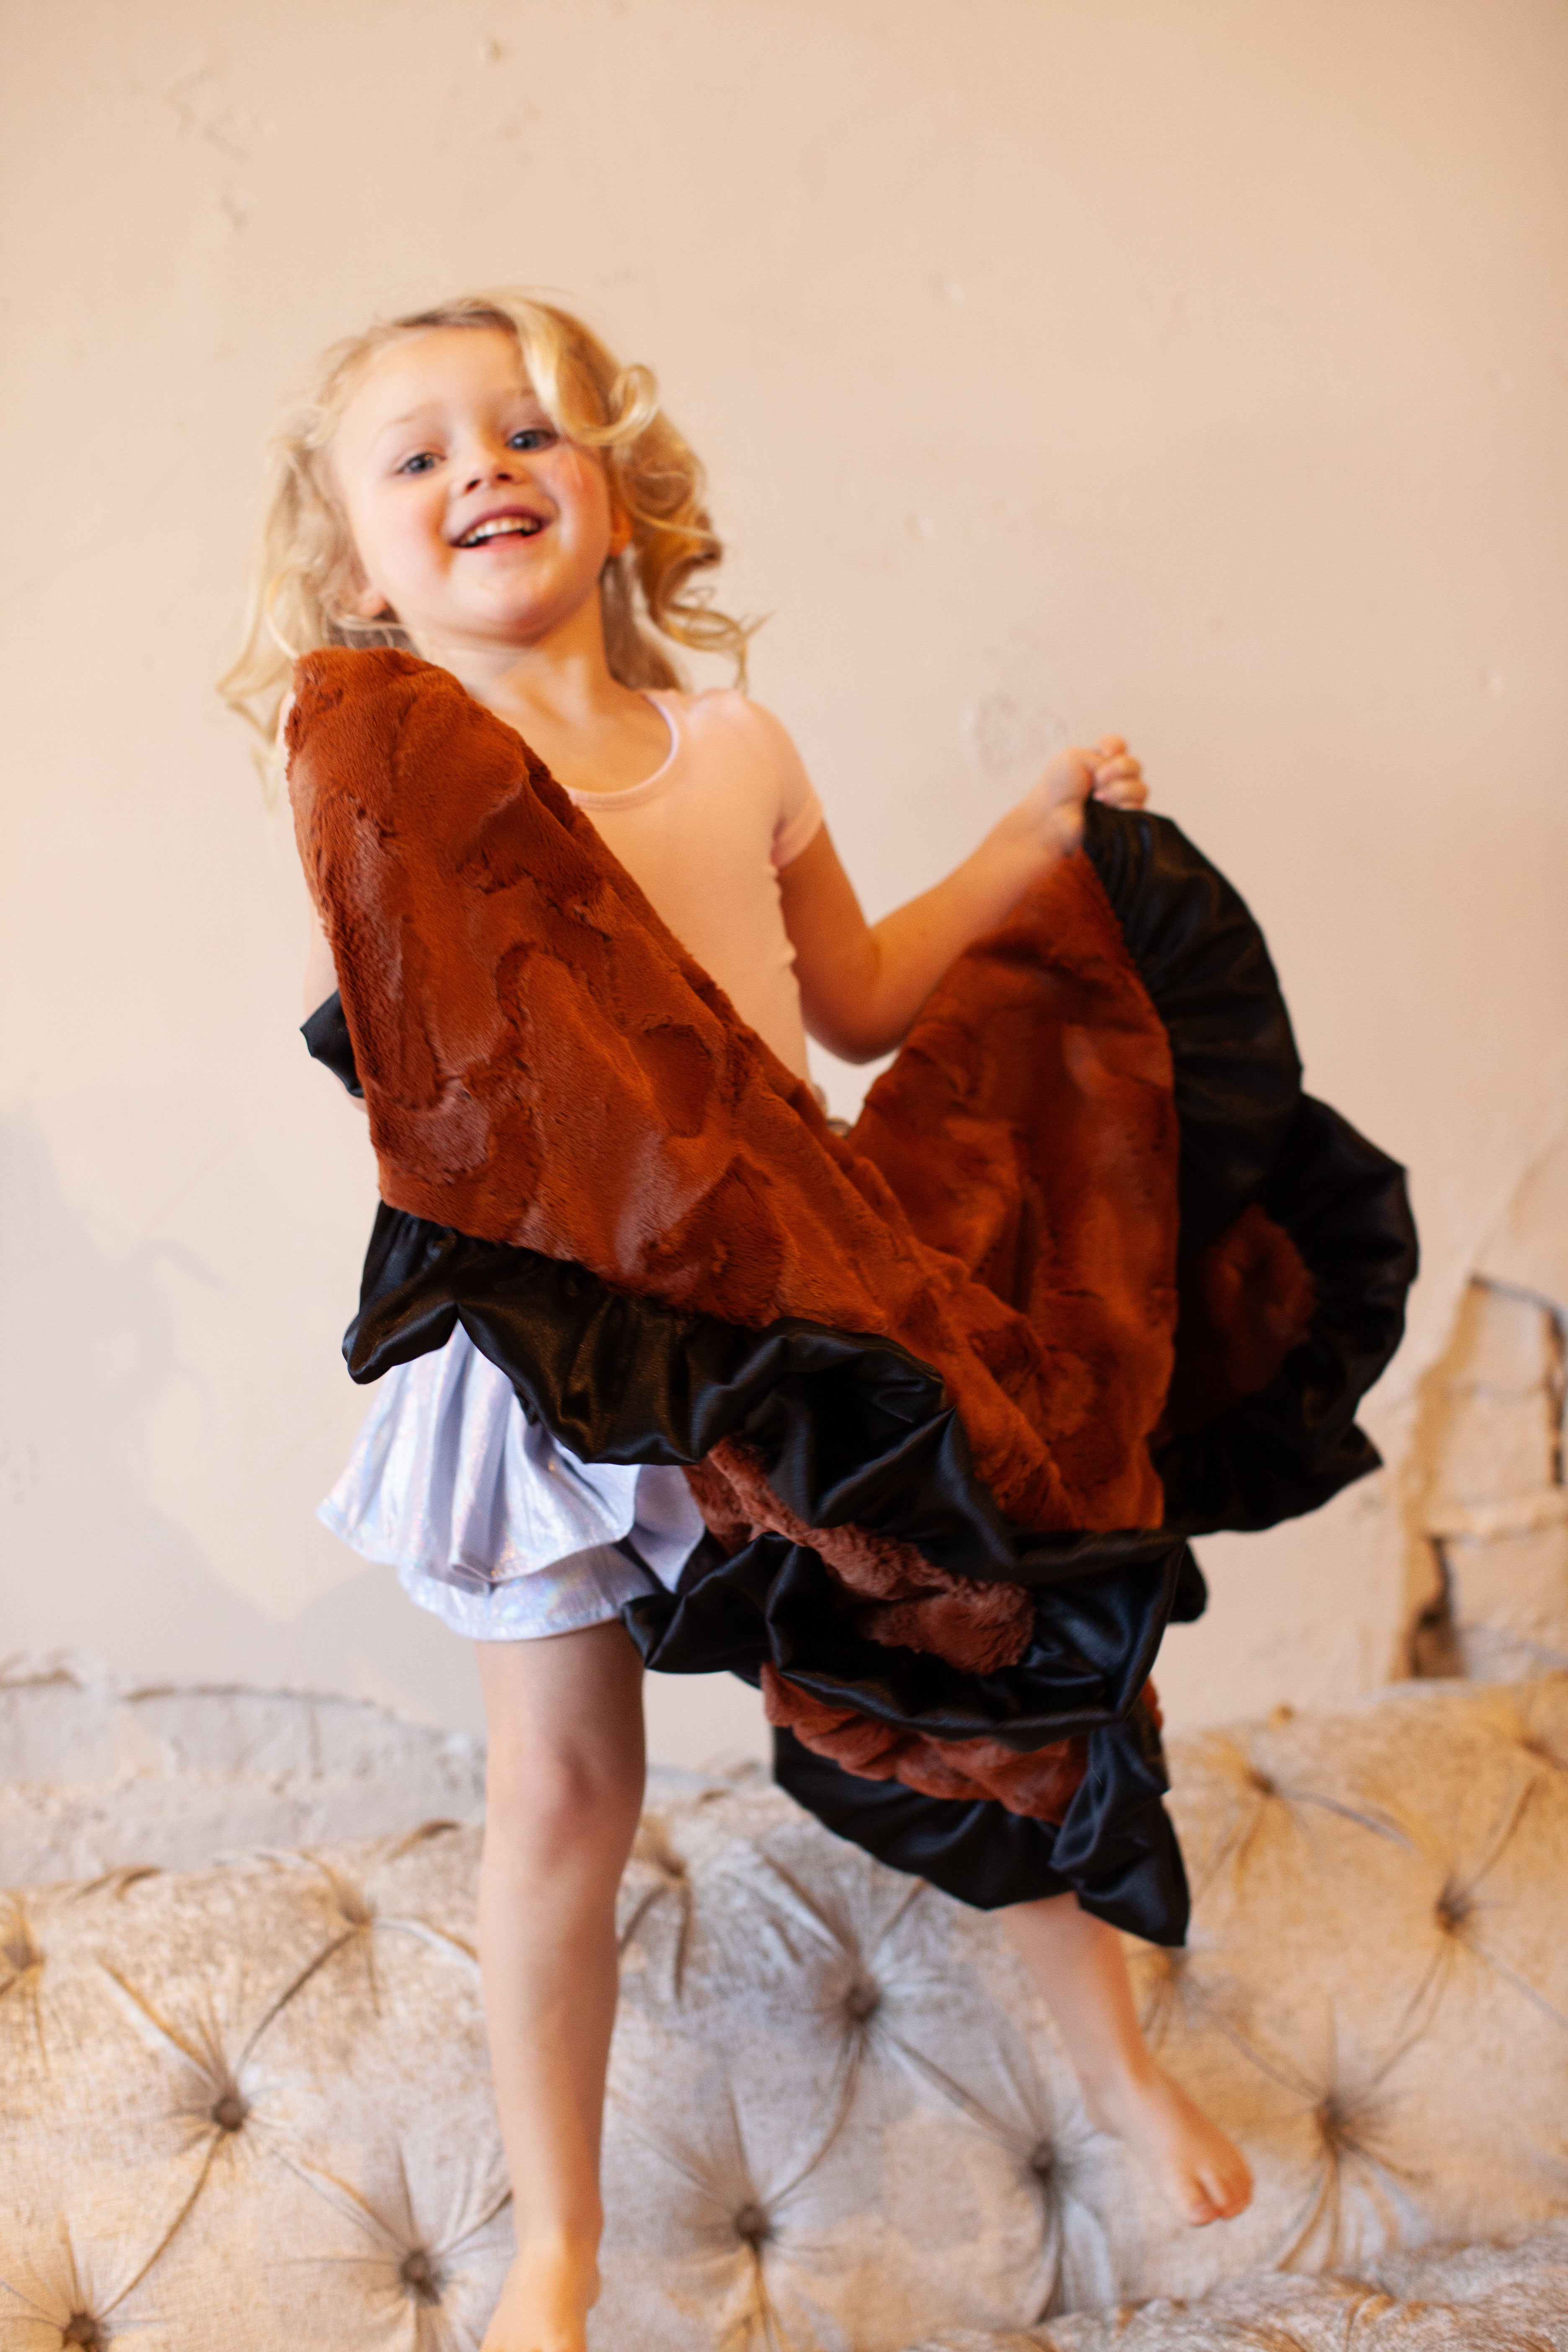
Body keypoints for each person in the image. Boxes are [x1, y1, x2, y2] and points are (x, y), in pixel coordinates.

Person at [223, 289, 1251, 2352]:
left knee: (985, 1668)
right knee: (562, 1794)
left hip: (789, 1309)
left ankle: (1118, 2069)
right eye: (417, 459)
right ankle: (558, 2244)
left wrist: (1028, 850)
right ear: (357, 572)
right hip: (553, 1340)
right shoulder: (401, 768)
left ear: (618, 493)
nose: (483, 470)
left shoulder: (734, 748)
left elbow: (853, 1004)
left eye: (529, 432)